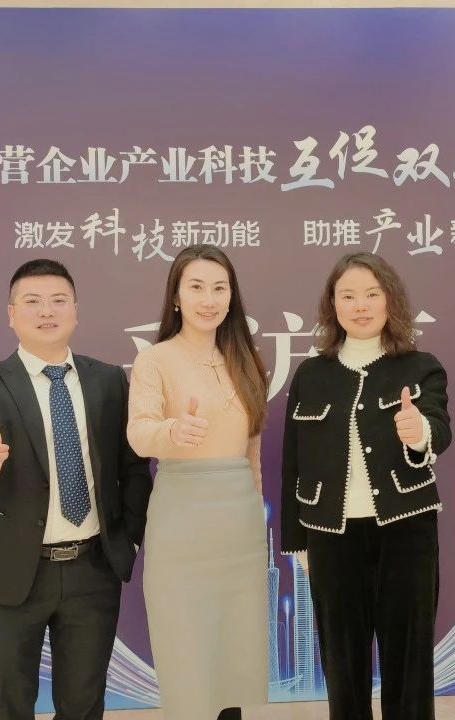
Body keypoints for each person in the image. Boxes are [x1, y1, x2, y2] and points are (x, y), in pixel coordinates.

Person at [0, 258, 152, 720]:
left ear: (75, 311)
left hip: (92, 570)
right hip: (12, 569)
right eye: (32, 301)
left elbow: (135, 467)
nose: (46, 311)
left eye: (59, 300)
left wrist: (129, 538)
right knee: (9, 705)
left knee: (84, 705)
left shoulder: (109, 380)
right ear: (11, 314)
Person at [280, 252, 451, 720]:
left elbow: (439, 427)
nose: (361, 305)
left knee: (409, 663)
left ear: (391, 299)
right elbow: (292, 460)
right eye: (348, 295)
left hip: (407, 533)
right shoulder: (311, 374)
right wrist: (297, 543)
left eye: (372, 294)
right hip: (331, 537)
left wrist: (420, 433)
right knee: (343, 665)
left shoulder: (420, 366)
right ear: (332, 304)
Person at [126, 245, 269, 720]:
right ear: (176, 297)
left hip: (240, 529)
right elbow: (139, 432)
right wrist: (173, 432)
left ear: (231, 297)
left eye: (219, 288)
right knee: (186, 656)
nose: (209, 300)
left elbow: (253, 455)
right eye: (197, 287)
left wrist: (255, 510)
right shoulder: (155, 360)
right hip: (181, 523)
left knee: (235, 661)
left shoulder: (246, 360)